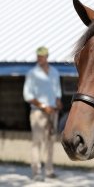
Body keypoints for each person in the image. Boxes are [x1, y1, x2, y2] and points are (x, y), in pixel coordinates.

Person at [23, 46, 63, 181]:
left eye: (43, 56)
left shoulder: (55, 72)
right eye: (38, 56)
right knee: (37, 142)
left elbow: (57, 91)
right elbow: (27, 95)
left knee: (50, 141)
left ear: (47, 56)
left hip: (53, 112)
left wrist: (58, 101)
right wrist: (43, 106)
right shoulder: (32, 73)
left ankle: (49, 170)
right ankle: (36, 172)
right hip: (38, 113)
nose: (40, 58)